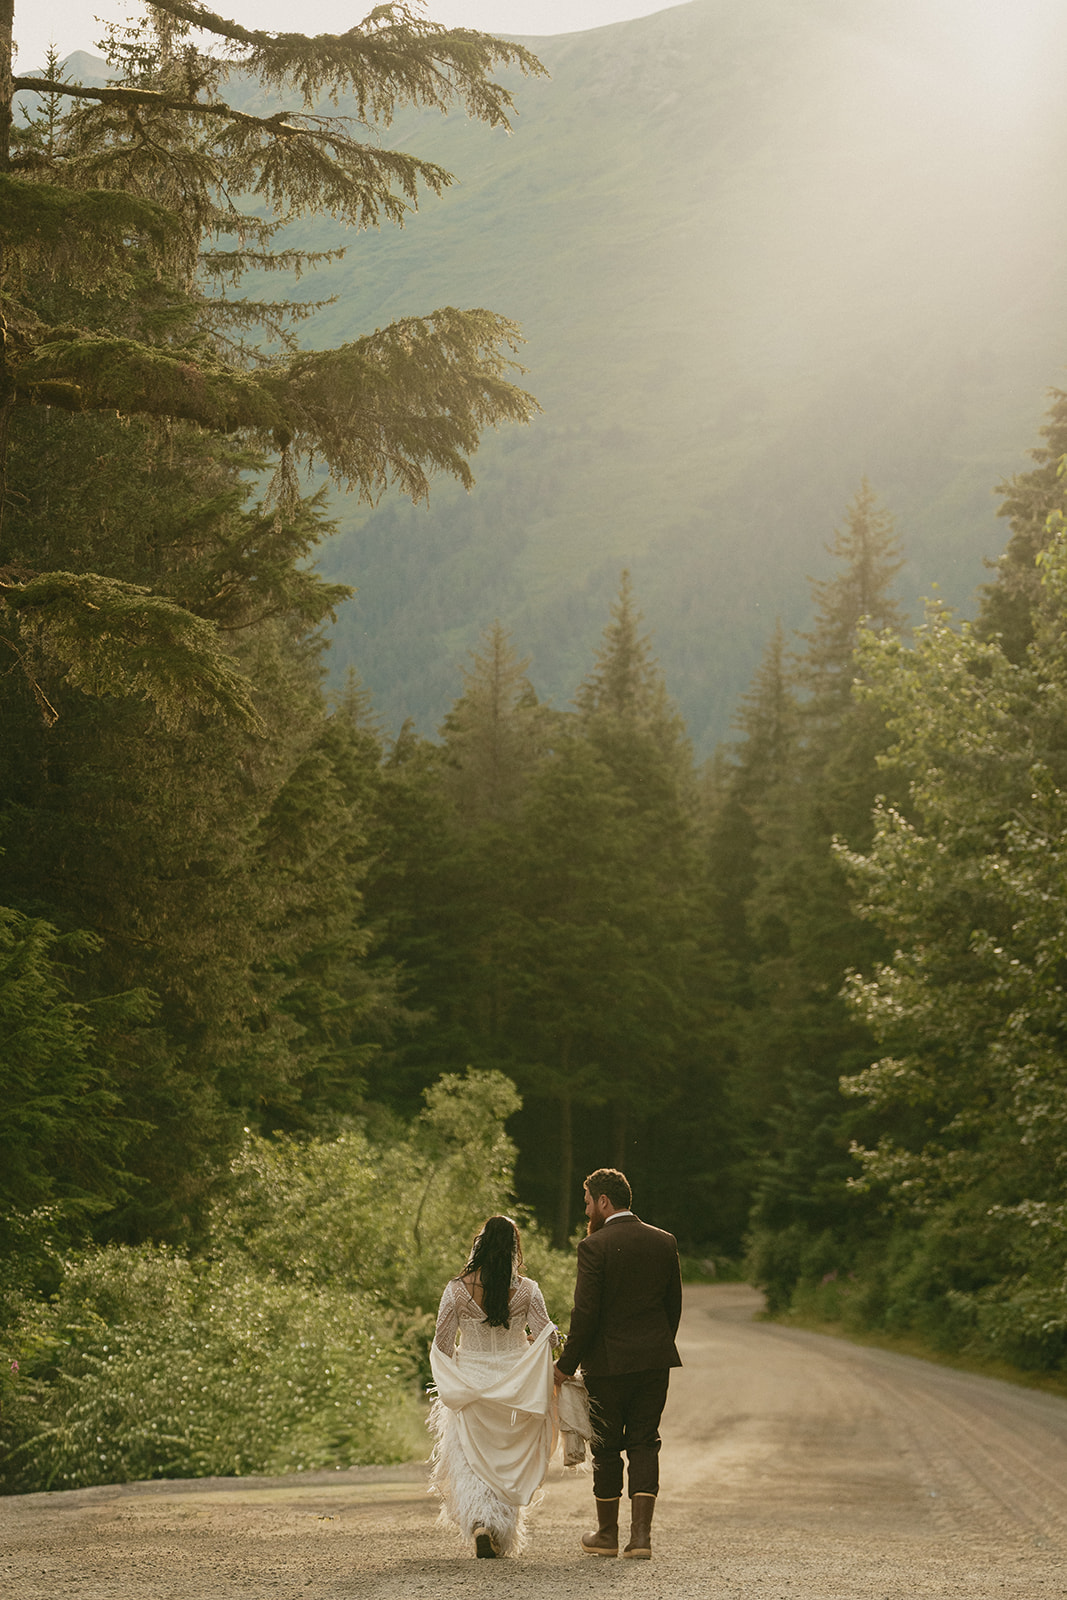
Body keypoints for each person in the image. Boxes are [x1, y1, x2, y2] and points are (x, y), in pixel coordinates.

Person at [553, 1167, 682, 1561]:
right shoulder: (664, 1241)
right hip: (654, 1361)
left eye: (588, 1202)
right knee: (645, 1442)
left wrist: (565, 1365)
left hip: (608, 1366)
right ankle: (641, 1538)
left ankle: (607, 1535)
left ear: (604, 1201)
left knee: (607, 1448)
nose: (586, 1210)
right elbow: (673, 1307)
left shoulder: (594, 1246)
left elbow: (585, 1313)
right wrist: (656, 1345)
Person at [428, 1215, 558, 1558]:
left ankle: (479, 1522)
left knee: (471, 1458)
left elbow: (441, 1345)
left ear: (480, 1245)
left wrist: (460, 1362)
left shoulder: (457, 1290)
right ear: (515, 1248)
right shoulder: (528, 1290)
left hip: (471, 1382)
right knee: (508, 1458)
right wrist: (530, 1343)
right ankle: (498, 1528)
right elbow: (548, 1337)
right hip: (517, 1386)